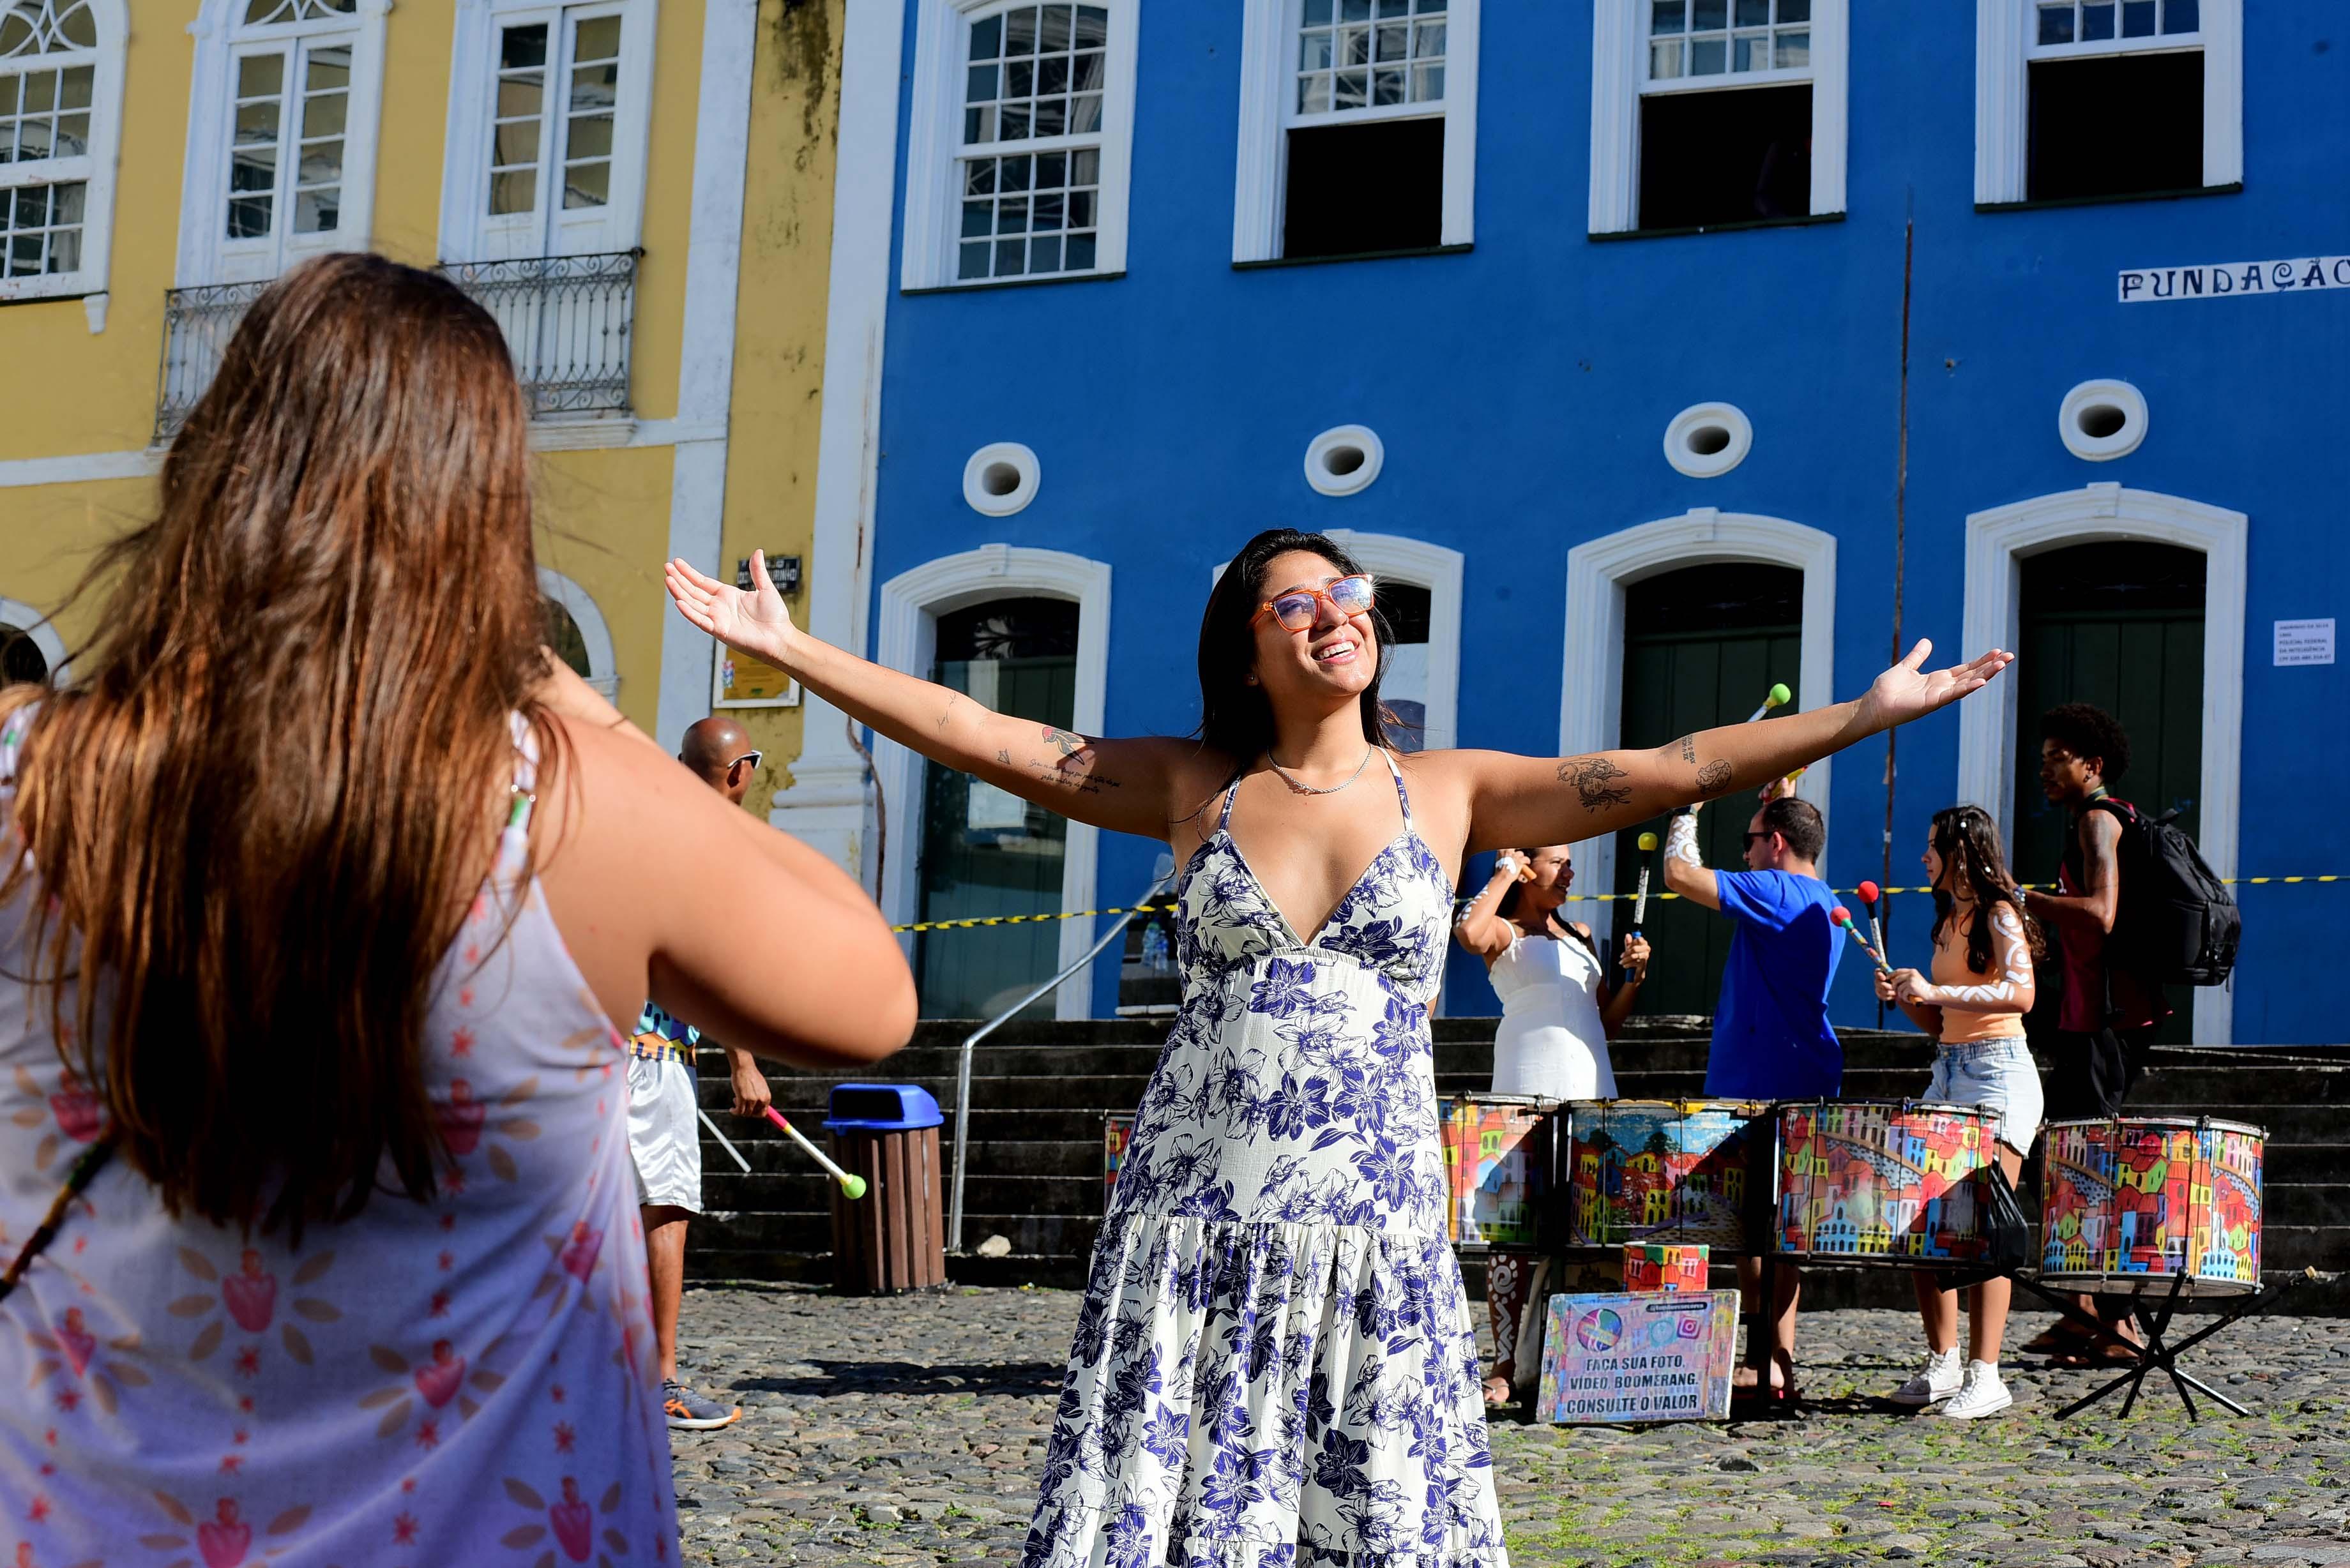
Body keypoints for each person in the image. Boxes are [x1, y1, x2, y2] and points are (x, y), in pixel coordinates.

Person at [667, 526, 2010, 1564]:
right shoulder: (1193, 783)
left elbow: (1669, 765)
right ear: (1244, 648)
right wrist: (791, 651)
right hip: (1196, 1221)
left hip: (1367, 1223)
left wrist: (1860, 713)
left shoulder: (1448, 789)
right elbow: (986, 733)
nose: (1336, 612)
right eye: (1295, 601)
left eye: (1350, 590)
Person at [0, 254, 916, 1562]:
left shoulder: (29, 771)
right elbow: (869, 994)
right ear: (484, 513)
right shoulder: (568, 802)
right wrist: (568, 691)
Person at [1453, 844, 1651, 1405]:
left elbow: (1605, 1021)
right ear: (1525, 868)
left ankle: (1591, 1360)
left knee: (1595, 1224)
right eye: (1557, 862)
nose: (1569, 871)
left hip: (1591, 1093)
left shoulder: (1582, 933)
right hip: (1523, 1092)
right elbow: (1469, 934)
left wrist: (1636, 978)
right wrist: (1501, 874)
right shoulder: (1505, 932)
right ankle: (1504, 1362)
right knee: (1513, 1230)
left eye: (1569, 862)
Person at [1660, 785, 1840, 1398]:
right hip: (1801, 1072)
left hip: (1761, 1081)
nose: (1745, 855)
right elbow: (1788, 829)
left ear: (1778, 844)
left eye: (1751, 841)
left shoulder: (1777, 889)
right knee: (1781, 1230)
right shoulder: (1821, 897)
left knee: (1753, 1231)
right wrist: (1783, 800)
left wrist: (1687, 812)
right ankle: (1775, 1360)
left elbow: (1680, 873)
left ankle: (1763, 1357)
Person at [632, 714, 780, 1431]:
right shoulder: (709, 842)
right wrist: (744, 1062)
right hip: (653, 1056)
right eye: (755, 761)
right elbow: (706, 966)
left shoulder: (644, 824)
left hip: (593, 1046)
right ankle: (657, 1381)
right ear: (736, 772)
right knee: (663, 1214)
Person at [1875, 805, 2046, 1419]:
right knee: (1920, 1219)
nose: (1923, 857)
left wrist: (1937, 988)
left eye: (1932, 846)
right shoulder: (1949, 919)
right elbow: (1940, 1021)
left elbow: (2021, 994)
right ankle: (1943, 1361)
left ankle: (1987, 1373)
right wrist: (1908, 995)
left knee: (1986, 1226)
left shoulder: (2001, 913)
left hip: (1999, 1076)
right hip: (1948, 1071)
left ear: (1963, 852)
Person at [2023, 700, 2164, 1361]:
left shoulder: (2097, 821)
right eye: (2043, 757)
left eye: (2057, 757)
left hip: (2103, 1023)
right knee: (2064, 1159)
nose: (2044, 768)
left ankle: (2121, 1322)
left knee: (2092, 1167)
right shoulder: (2099, 820)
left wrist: (2021, 897)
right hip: (2086, 1015)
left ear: (2092, 764)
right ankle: (2080, 1312)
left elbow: (2101, 913)